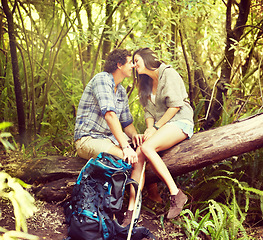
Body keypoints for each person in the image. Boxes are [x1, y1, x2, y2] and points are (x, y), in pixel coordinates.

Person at [122, 47, 194, 226]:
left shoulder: (168, 74)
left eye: (136, 60)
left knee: (146, 147)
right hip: (162, 127)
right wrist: (149, 130)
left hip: (180, 121)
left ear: (146, 60)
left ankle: (176, 193)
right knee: (139, 154)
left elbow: (175, 106)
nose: (133, 64)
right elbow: (148, 112)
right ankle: (132, 210)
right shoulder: (145, 83)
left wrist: (155, 127)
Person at [74, 49, 143, 168]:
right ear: (119, 65)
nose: (133, 65)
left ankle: (143, 187)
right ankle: (133, 186)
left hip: (110, 139)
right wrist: (126, 147)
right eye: (130, 62)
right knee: (128, 159)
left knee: (143, 152)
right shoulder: (102, 79)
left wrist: (134, 136)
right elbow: (110, 115)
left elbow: (127, 123)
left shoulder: (121, 91)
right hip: (89, 139)